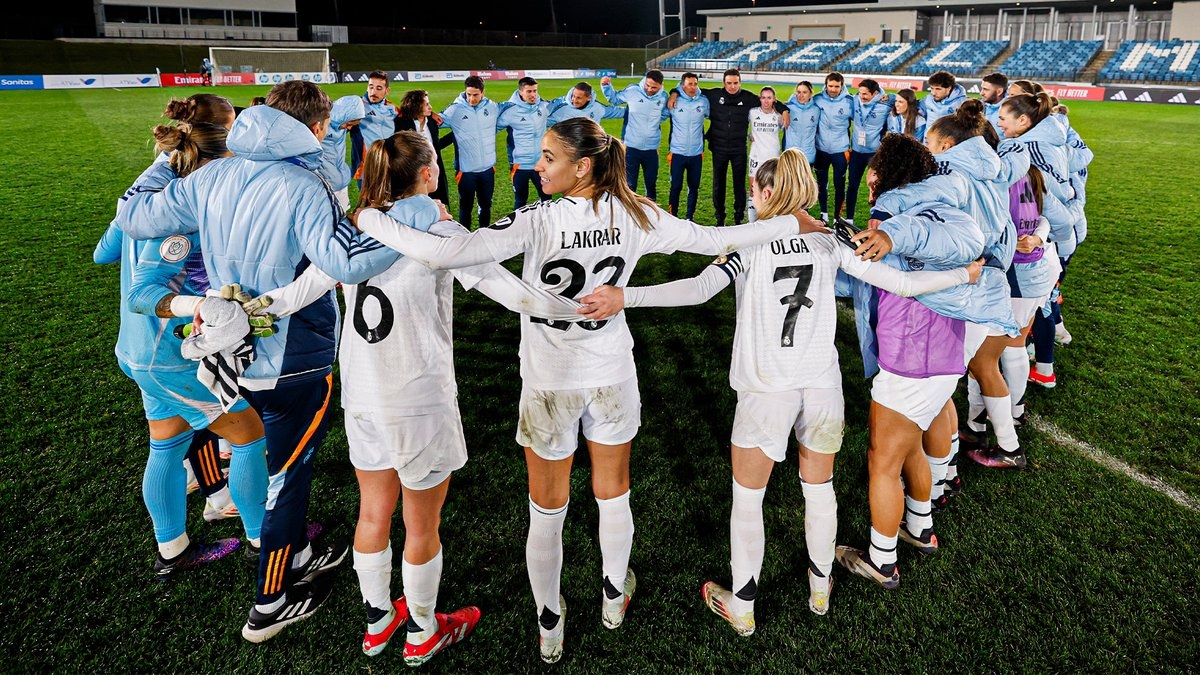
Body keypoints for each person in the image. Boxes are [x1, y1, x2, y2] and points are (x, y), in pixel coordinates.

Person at [354, 117, 825, 664]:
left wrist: (370, 217)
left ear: (582, 166)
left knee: (546, 512)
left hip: (551, 381)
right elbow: (715, 241)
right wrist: (789, 223)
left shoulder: (539, 218)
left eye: (548, 157)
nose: (537, 165)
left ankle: (549, 624)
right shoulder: (637, 212)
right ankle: (610, 598)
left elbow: (444, 255)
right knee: (613, 493)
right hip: (611, 375)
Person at [575, 149, 978, 633]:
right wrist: (965, 274)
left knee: (748, 499)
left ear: (766, 193)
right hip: (822, 386)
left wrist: (627, 296)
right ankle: (820, 588)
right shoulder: (830, 240)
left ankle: (743, 604)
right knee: (819, 488)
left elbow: (699, 289)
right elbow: (904, 285)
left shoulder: (750, 244)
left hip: (767, 390)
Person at [113, 80, 417, 643]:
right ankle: (270, 603)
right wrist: (414, 229)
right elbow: (341, 263)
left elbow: (131, 218)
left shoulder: (211, 175)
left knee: (259, 455)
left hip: (234, 351)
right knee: (285, 479)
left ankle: (291, 556)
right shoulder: (304, 181)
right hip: (295, 353)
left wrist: (158, 165)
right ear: (316, 129)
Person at [346, 131, 594, 663]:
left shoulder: (357, 228)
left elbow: (306, 289)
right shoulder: (440, 230)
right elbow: (508, 291)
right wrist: (576, 309)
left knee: (371, 512)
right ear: (429, 175)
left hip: (361, 393)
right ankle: (421, 630)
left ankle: (376, 623)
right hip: (417, 396)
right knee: (420, 523)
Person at [93, 95, 266, 580]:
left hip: (136, 349)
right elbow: (145, 291)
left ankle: (173, 551)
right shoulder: (185, 208)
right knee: (250, 434)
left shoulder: (147, 194)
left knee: (166, 444)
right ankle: (262, 542)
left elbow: (103, 253)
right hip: (169, 351)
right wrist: (199, 302)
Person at [834, 135, 988, 590]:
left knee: (883, 460)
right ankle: (920, 527)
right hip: (948, 345)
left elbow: (888, 283)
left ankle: (882, 560)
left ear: (884, 174)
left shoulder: (888, 218)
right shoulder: (949, 210)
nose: (868, 178)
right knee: (913, 442)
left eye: (873, 170)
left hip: (908, 353)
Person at [922, 100, 1027, 473]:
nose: (926, 146)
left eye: (928, 140)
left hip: (972, 282)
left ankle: (941, 471)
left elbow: (961, 232)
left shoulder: (949, 173)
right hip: (997, 275)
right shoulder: (992, 168)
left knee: (942, 374)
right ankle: (1000, 443)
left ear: (947, 145)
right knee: (983, 364)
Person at [996, 92, 1079, 389]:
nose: (998, 121)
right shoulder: (1052, 137)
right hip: (1047, 238)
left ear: (1023, 120)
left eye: (1003, 116)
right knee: (1043, 304)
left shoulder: (1027, 150)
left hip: (1044, 241)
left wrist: (1042, 235)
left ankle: (1042, 369)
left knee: (1037, 309)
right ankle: (1047, 352)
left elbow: (1047, 200)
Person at [670, 68, 789, 226]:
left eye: (735, 83)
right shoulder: (713, 95)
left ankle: (738, 217)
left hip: (738, 149)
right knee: (718, 184)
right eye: (729, 83)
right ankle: (720, 217)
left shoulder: (748, 98)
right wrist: (673, 92)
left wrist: (785, 110)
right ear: (723, 83)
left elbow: (769, 101)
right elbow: (689, 89)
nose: (732, 86)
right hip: (718, 148)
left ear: (740, 82)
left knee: (739, 185)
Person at [440, 75, 500, 229]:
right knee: (465, 207)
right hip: (466, 172)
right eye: (469, 94)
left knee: (486, 205)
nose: (472, 99)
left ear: (483, 92)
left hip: (487, 169)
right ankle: (464, 237)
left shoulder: (492, 107)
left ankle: (484, 233)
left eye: (475, 95)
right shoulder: (455, 109)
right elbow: (433, 122)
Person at [601, 71, 669, 201]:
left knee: (651, 184)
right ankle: (630, 213)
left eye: (654, 87)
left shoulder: (664, 97)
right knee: (630, 185)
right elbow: (614, 99)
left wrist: (655, 122)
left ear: (661, 85)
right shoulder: (633, 90)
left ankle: (651, 214)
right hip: (631, 147)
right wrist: (606, 86)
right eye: (647, 85)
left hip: (651, 148)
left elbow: (666, 113)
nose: (649, 89)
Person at [845, 79, 893, 225]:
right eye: (860, 93)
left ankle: (878, 219)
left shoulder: (885, 104)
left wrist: (892, 97)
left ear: (876, 93)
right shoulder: (855, 100)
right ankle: (849, 218)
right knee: (852, 185)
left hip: (875, 154)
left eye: (865, 94)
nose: (862, 97)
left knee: (878, 186)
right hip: (857, 152)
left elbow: (905, 99)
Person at [499, 77, 553, 207]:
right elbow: (488, 128)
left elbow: (562, 115)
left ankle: (546, 226)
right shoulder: (509, 111)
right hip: (520, 165)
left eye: (535, 91)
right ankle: (521, 227)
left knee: (547, 198)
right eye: (529, 91)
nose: (533, 95)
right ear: (520, 92)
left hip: (541, 164)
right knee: (520, 201)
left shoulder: (544, 106)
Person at [395, 89, 451, 206]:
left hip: (433, 171)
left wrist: (454, 135)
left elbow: (435, 147)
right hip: (413, 174)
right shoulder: (401, 123)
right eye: (426, 104)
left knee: (438, 204)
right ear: (416, 106)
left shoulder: (431, 122)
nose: (430, 107)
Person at [665, 72, 709, 221]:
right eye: (690, 84)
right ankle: (673, 217)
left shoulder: (703, 102)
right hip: (677, 153)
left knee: (694, 187)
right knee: (676, 186)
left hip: (697, 154)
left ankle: (690, 218)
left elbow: (715, 117)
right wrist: (673, 93)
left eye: (695, 83)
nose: (693, 87)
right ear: (682, 85)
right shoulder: (674, 101)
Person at [812, 72, 852, 224]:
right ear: (825, 85)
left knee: (839, 185)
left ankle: (837, 217)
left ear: (842, 86)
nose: (833, 89)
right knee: (821, 184)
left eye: (837, 86)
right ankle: (824, 214)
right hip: (821, 149)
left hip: (840, 151)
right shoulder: (817, 99)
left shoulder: (850, 102)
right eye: (830, 86)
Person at [350, 71, 401, 186]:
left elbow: (411, 119)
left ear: (387, 91)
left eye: (379, 88)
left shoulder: (393, 109)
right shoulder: (357, 106)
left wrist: (431, 114)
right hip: (367, 167)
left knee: (391, 202)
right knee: (369, 203)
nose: (373, 92)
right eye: (371, 87)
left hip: (389, 165)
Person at [319, 95, 366, 211]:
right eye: (349, 124)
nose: (349, 128)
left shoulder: (340, 127)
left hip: (341, 183)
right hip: (325, 186)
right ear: (343, 116)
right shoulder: (320, 124)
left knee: (342, 217)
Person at [746, 86, 784, 222]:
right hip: (756, 157)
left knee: (772, 191)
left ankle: (770, 221)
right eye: (763, 97)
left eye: (769, 97)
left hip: (773, 158)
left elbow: (787, 127)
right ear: (759, 99)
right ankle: (751, 223)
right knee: (753, 190)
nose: (766, 101)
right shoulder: (752, 112)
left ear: (774, 99)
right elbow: (738, 123)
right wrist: (748, 134)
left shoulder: (779, 116)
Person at [547, 82, 623, 125]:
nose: (574, 100)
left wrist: (633, 109)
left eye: (579, 98)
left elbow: (617, 112)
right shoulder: (562, 109)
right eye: (573, 96)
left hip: (589, 149)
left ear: (589, 97)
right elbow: (540, 121)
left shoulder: (597, 107)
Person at [784, 81, 821, 165]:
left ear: (811, 93)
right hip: (791, 155)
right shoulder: (787, 109)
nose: (801, 95)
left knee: (806, 178)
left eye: (804, 92)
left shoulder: (817, 110)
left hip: (808, 156)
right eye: (798, 92)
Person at [980, 72, 1008, 137]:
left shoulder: (1010, 112)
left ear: (999, 92)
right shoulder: (980, 107)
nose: (981, 93)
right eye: (982, 88)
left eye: (986, 89)